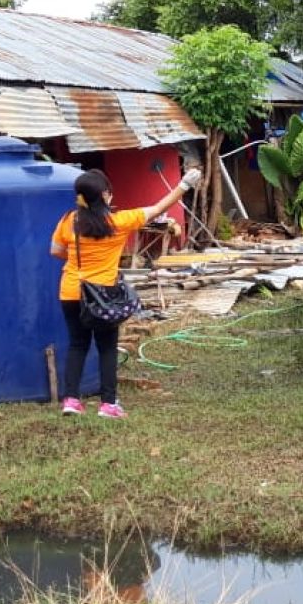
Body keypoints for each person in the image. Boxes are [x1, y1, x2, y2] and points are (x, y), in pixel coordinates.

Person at [50, 167, 201, 418]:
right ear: (106, 195)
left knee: (77, 345)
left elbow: (55, 250)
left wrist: (80, 259)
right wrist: (185, 184)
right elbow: (157, 209)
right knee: (107, 347)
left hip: (70, 292)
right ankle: (108, 404)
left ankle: (71, 401)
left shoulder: (68, 220)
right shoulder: (118, 222)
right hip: (102, 294)